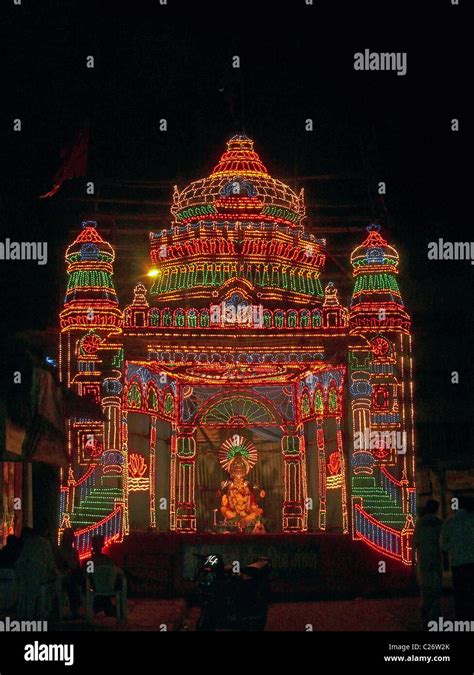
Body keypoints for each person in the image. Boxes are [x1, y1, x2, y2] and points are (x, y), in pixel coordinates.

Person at [440, 495, 474, 620]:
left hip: (457, 563)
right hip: (472, 562)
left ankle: (462, 618)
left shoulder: (450, 521)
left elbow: (443, 545)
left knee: (460, 592)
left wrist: (454, 547)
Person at [413, 500, 443, 627]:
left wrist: (413, 559)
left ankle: (425, 609)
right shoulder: (439, 523)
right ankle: (434, 612)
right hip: (436, 557)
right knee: (436, 586)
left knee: (426, 585)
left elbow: (415, 541)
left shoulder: (420, 523)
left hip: (424, 557)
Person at [85, 535, 124, 616]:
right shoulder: (106, 560)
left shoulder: (90, 561)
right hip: (107, 586)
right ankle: (111, 609)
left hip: (98, 587)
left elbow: (89, 576)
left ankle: (105, 608)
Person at [56, 529, 83, 619]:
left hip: (73, 574)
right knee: (71, 582)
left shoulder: (74, 552)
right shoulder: (59, 551)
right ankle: (75, 608)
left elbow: (77, 566)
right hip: (62, 575)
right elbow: (58, 565)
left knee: (77, 580)